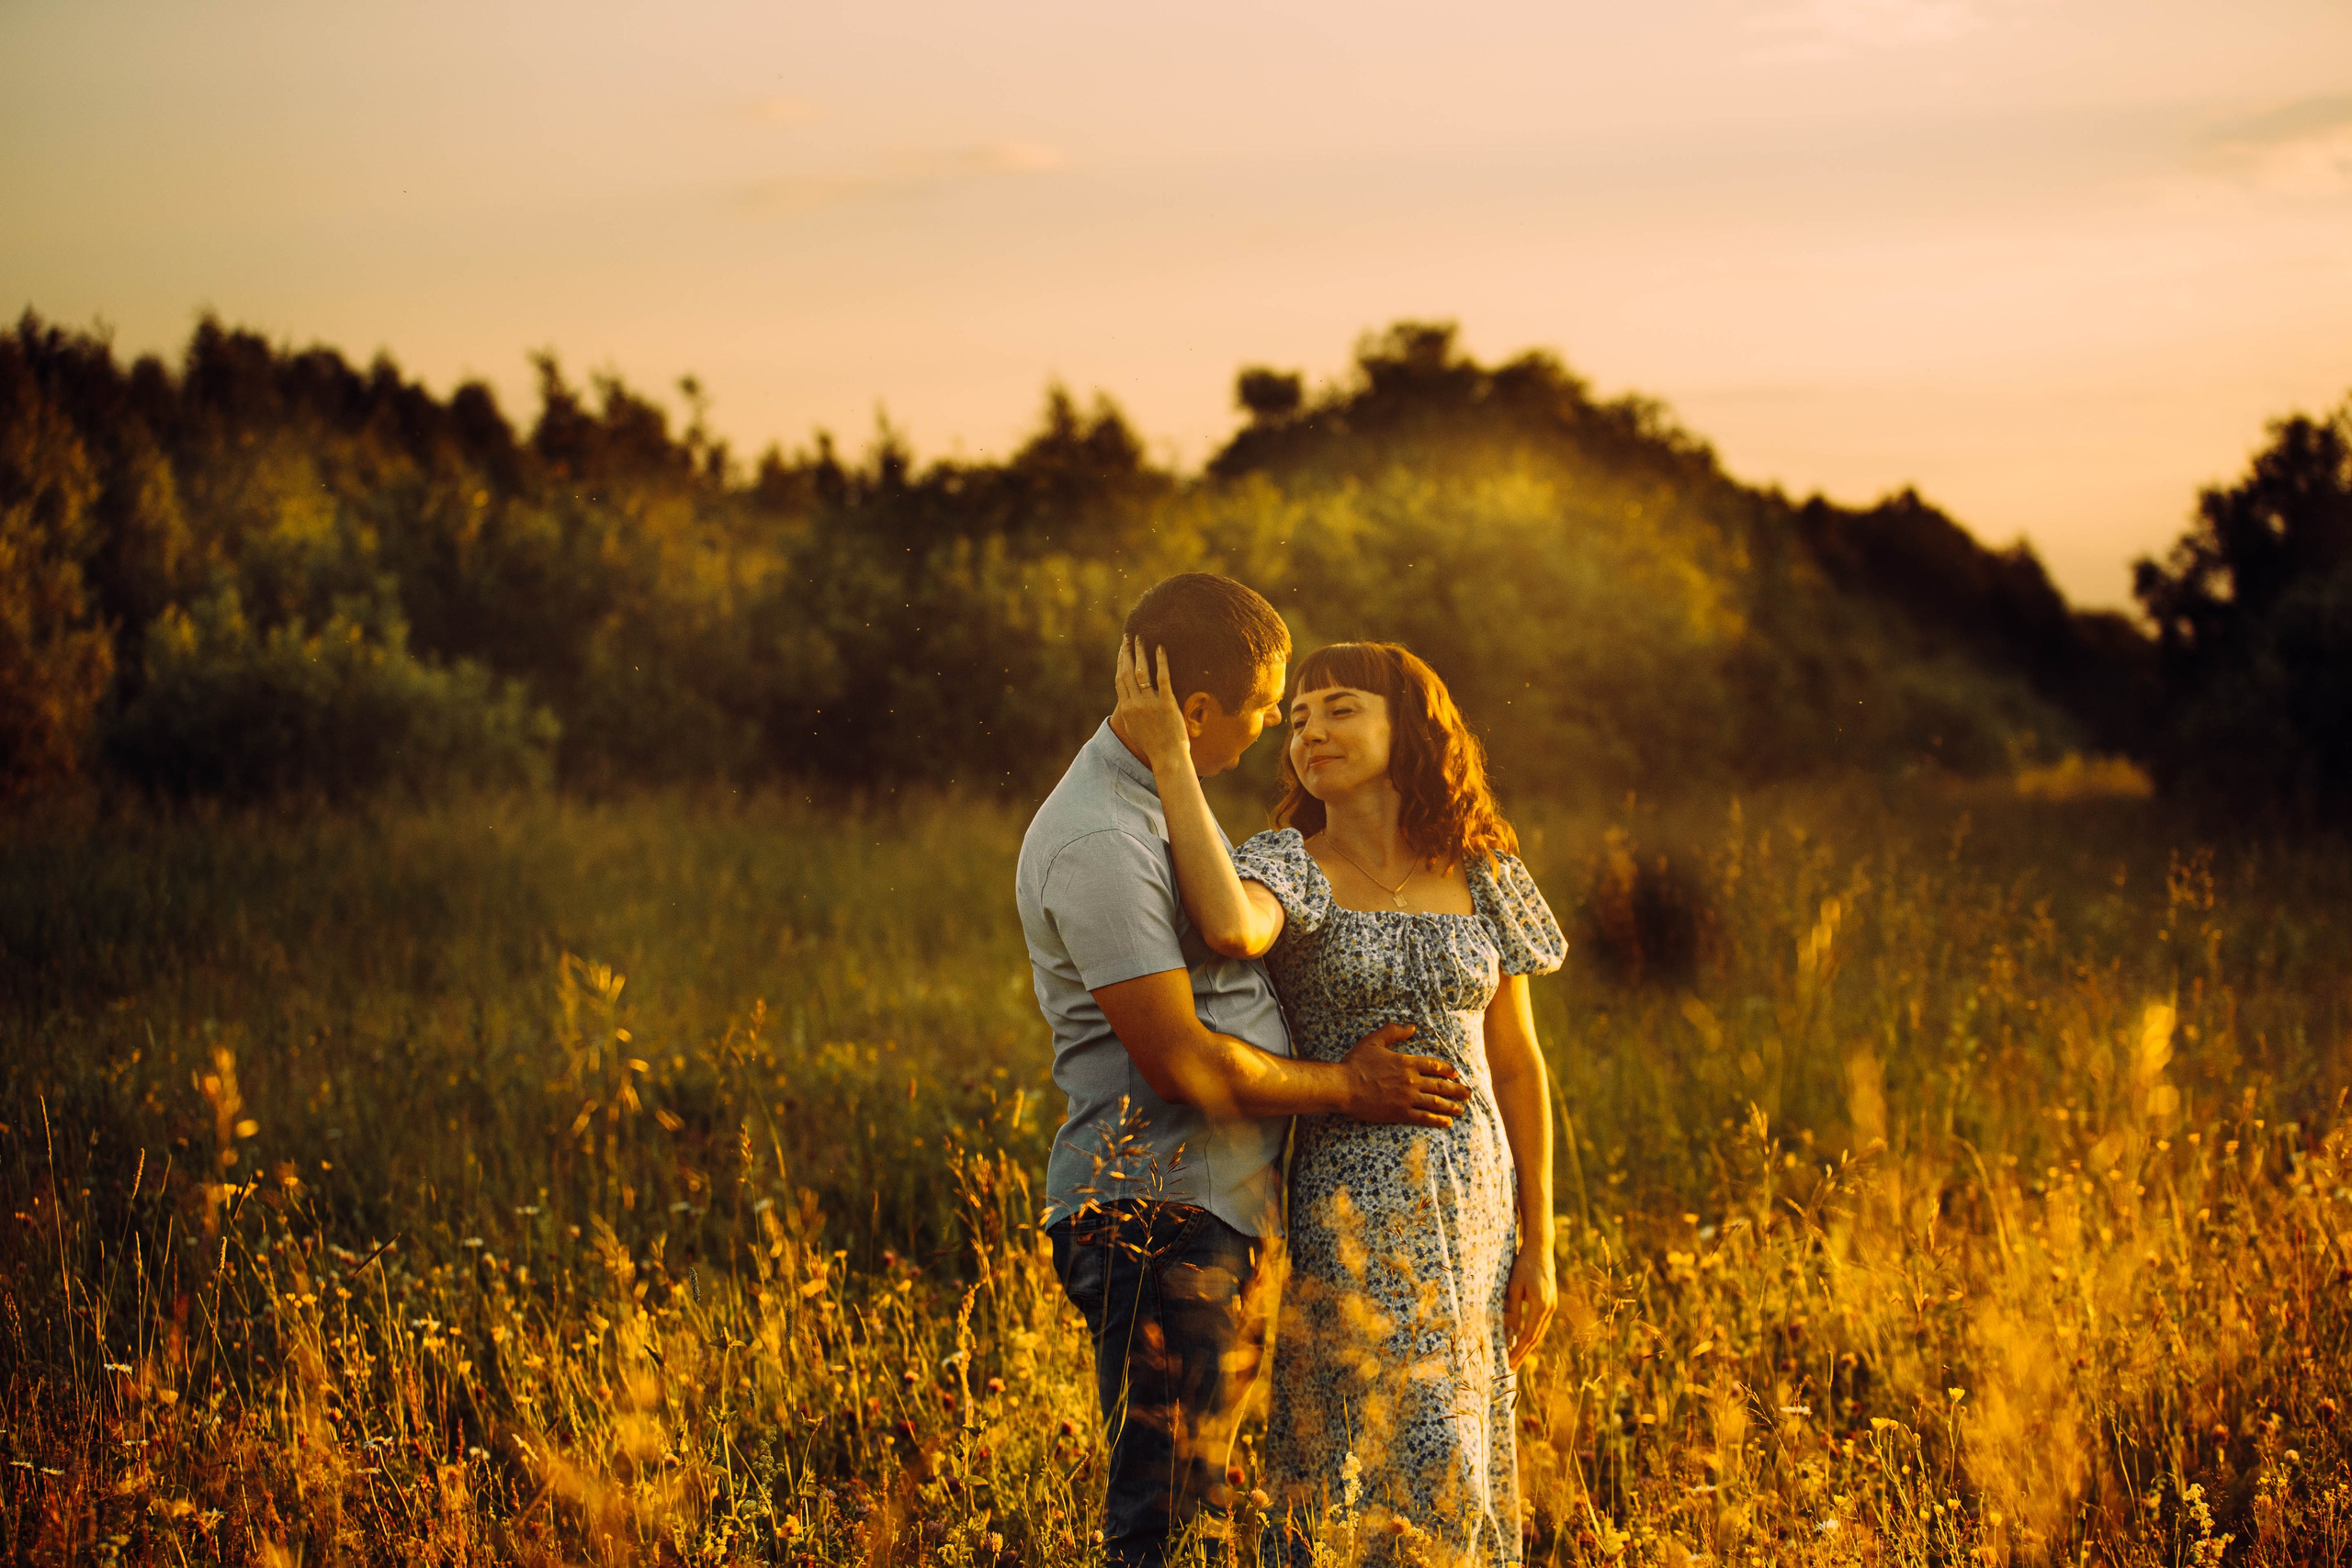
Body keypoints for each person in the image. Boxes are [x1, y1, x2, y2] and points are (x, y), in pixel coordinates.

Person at [1016, 575, 1476, 1568]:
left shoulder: (1156, 807)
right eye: (1269, 704)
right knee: (1170, 1524)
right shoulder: (1103, 836)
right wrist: (1350, 1089)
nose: (1275, 727)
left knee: (1202, 1503)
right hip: (1158, 1216)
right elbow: (1180, 1060)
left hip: (1209, 1209)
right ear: (1193, 713)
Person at [1112, 635, 1566, 1566]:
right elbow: (1232, 926)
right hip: (1350, 1204)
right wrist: (1169, 758)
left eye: (1339, 708)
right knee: (1379, 1451)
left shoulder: (1481, 869)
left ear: (1410, 728)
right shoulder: (1289, 862)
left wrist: (1541, 1244)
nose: (1309, 731)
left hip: (1477, 1208)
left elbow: (1517, 1063)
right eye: (1296, 717)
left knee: (1462, 1435)